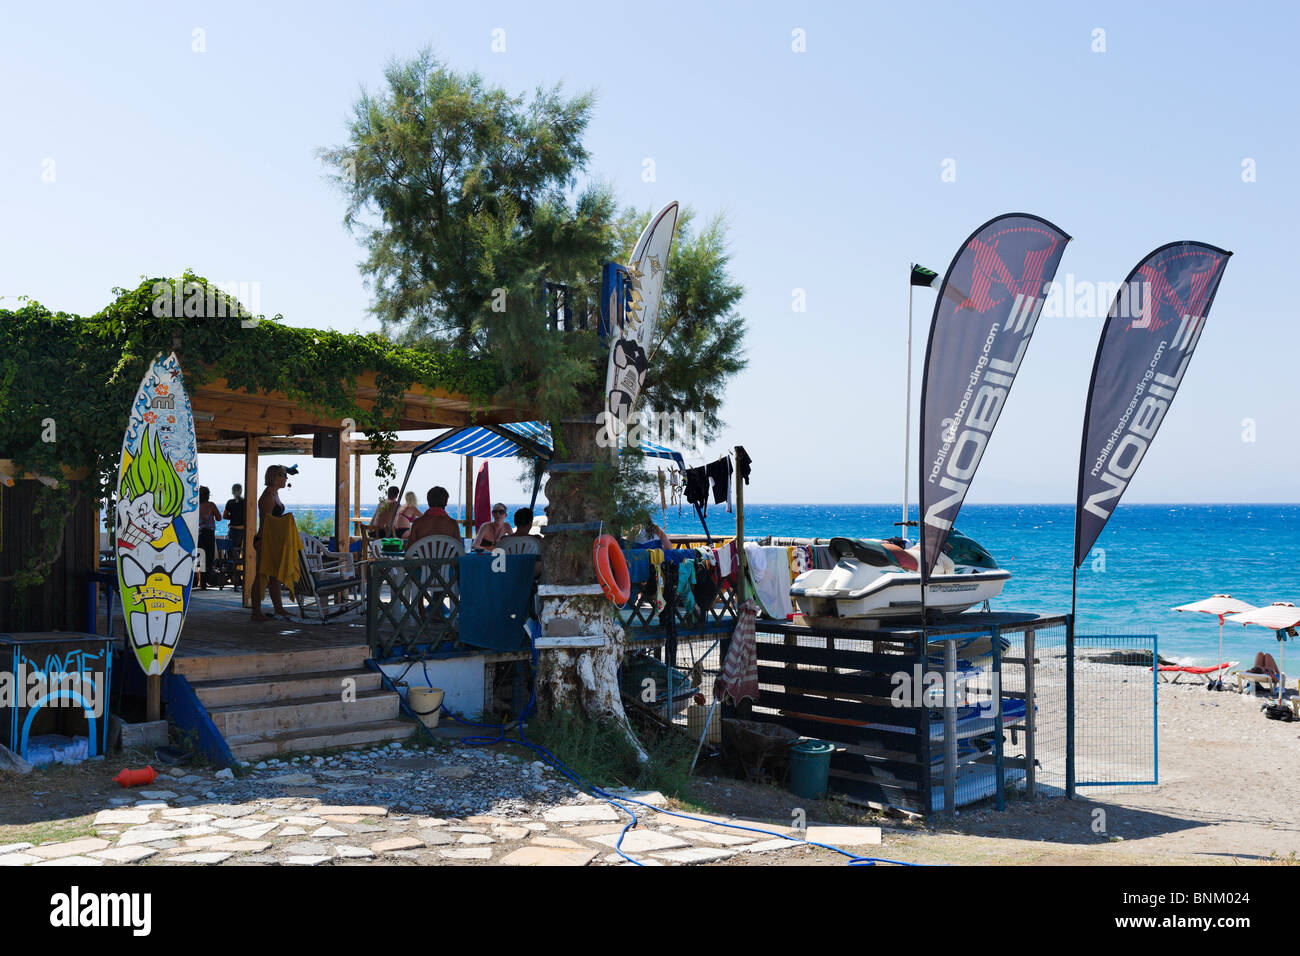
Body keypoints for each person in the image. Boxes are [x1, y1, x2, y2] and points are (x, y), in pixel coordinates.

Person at [251, 464, 290, 620]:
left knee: (275, 576)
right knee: (261, 575)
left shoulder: (275, 494)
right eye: (283, 475)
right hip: (264, 540)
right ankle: (255, 612)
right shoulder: (268, 496)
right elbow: (267, 522)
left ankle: (279, 609)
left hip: (273, 540)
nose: (286, 478)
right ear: (275, 477)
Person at [196, 486, 222, 589]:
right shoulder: (211, 505)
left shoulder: (196, 506)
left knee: (200, 557)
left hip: (199, 533)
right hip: (209, 533)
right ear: (208, 495)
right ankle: (205, 582)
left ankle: (200, 582)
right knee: (209, 558)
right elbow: (219, 518)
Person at [223, 483, 245, 551]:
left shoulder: (230, 502)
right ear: (241, 491)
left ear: (232, 492)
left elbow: (224, 516)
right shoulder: (245, 502)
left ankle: (231, 561)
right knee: (239, 550)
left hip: (232, 529)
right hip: (242, 530)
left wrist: (232, 517)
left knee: (230, 550)